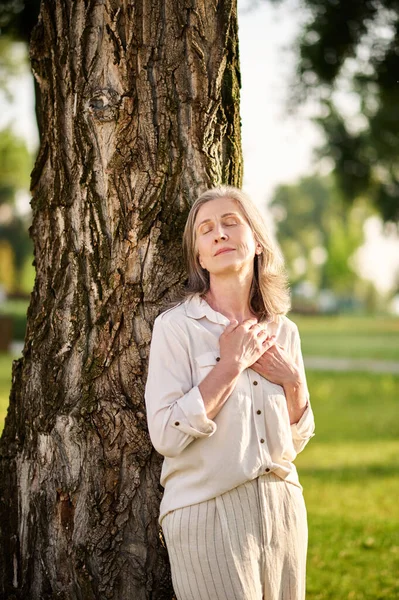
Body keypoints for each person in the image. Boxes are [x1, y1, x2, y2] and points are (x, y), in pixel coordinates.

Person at [145, 185, 315, 600]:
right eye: (205, 230)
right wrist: (230, 365)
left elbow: (296, 439)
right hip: (206, 513)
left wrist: (292, 382)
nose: (219, 234)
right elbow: (166, 435)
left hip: (283, 510)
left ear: (257, 241)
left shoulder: (284, 330)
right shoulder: (176, 328)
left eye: (230, 222)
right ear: (199, 257)